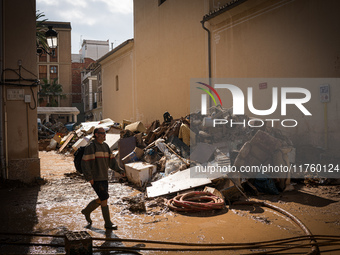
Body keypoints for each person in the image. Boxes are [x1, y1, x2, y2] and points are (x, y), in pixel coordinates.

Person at [81, 127, 124, 229]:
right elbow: (85, 163)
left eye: (105, 133)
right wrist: (89, 177)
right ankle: (108, 223)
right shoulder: (91, 147)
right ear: (96, 134)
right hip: (95, 177)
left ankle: (87, 211)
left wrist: (120, 171)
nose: (104, 135)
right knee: (104, 198)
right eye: (102, 133)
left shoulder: (105, 146)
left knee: (102, 198)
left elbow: (112, 162)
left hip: (104, 177)